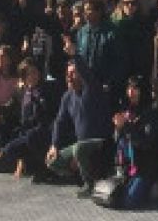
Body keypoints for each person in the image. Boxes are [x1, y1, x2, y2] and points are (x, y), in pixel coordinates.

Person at [47, 59, 113, 198]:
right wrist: (54, 145)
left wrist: (74, 54)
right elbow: (59, 122)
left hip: (101, 144)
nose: (69, 77)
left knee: (79, 149)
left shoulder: (92, 90)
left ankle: (90, 184)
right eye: (67, 74)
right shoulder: (67, 97)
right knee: (52, 161)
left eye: (73, 73)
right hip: (81, 146)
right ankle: (81, 176)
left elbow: (88, 74)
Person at [112, 76, 158, 209]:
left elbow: (146, 143)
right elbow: (118, 141)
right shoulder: (127, 110)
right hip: (128, 168)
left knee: (129, 202)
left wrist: (127, 127)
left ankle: (155, 185)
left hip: (146, 168)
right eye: (129, 88)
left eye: (135, 88)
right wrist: (118, 128)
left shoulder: (151, 113)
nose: (131, 92)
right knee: (113, 197)